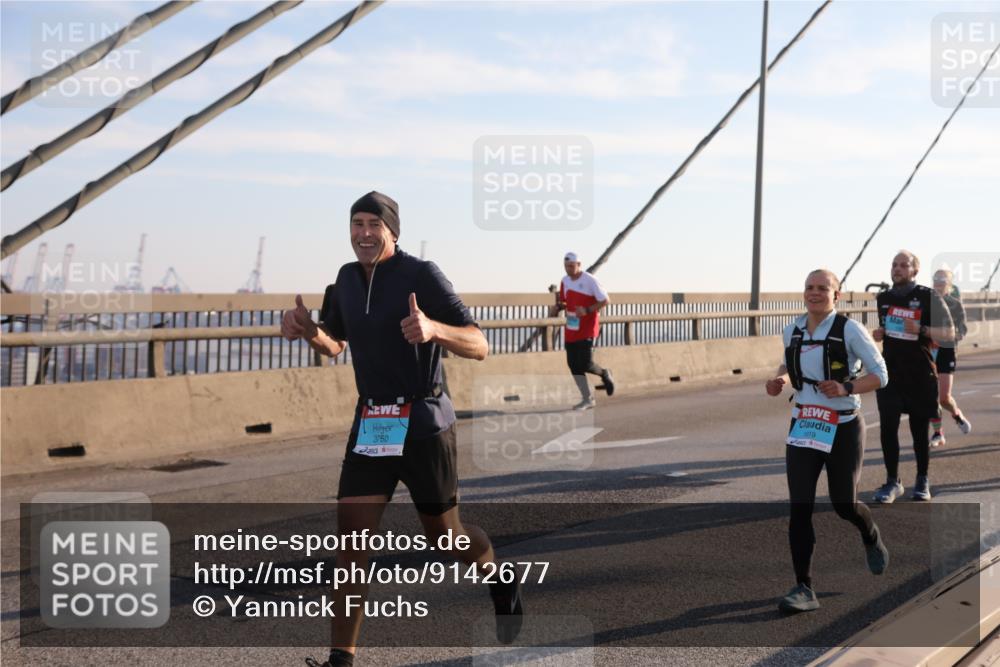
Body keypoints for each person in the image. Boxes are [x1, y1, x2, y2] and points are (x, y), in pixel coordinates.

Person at [282, 192, 522, 667]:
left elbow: (480, 344)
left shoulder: (421, 275)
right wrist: (310, 330)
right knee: (351, 547)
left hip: (424, 424)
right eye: (357, 223)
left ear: (393, 231)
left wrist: (435, 329)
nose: (364, 233)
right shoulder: (346, 280)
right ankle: (340, 661)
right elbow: (336, 345)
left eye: (374, 224)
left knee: (446, 539)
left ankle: (498, 577)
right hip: (373, 424)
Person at [765, 269, 890, 613]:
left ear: (837, 295)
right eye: (809, 287)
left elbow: (880, 375)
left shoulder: (850, 329)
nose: (815, 293)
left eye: (823, 288)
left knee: (843, 504)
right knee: (799, 507)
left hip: (843, 426)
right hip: (804, 426)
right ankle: (803, 587)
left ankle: (870, 534)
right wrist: (779, 379)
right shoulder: (792, 329)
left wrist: (846, 387)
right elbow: (792, 364)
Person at [871, 251, 954, 503]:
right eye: (894, 264)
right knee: (888, 429)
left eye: (904, 265)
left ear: (914, 271)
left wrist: (922, 329)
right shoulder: (883, 298)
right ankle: (892, 481)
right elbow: (888, 330)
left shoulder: (928, 296)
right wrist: (880, 333)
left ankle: (922, 479)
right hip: (891, 372)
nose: (897, 269)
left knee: (919, 430)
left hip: (920, 372)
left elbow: (950, 333)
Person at [549, 252, 614, 410]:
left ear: (579, 265)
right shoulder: (565, 281)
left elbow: (605, 300)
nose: (569, 269)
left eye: (571, 266)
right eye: (566, 266)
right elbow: (565, 302)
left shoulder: (590, 280)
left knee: (585, 363)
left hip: (588, 328)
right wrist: (558, 307)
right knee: (573, 365)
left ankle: (604, 373)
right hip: (572, 327)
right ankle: (587, 398)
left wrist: (587, 309)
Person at [929, 269, 972, 446]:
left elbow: (962, 330)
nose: (938, 282)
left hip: (946, 351)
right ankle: (938, 433)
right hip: (928, 352)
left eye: (942, 279)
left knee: (944, 397)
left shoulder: (955, 304)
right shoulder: (926, 301)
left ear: (949, 283)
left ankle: (956, 414)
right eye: (936, 279)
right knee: (930, 396)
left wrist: (947, 338)